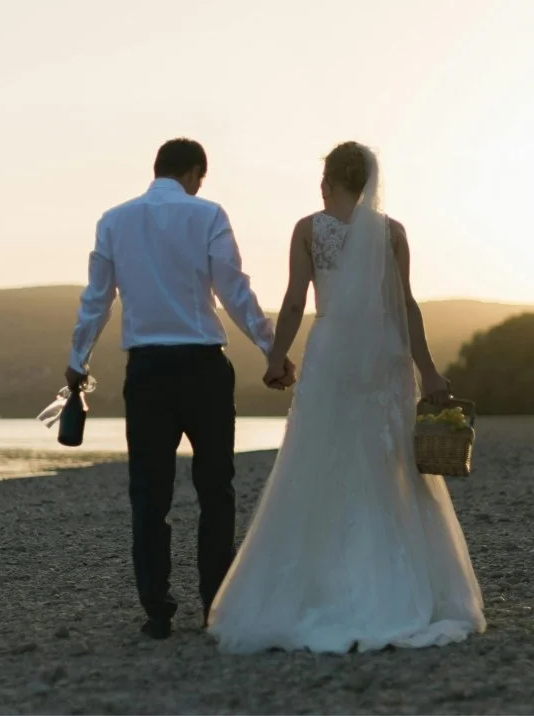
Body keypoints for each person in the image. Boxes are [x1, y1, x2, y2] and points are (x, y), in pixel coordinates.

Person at [207, 141, 486, 653]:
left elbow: (294, 301)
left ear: (328, 181)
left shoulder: (309, 230)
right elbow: (406, 305)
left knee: (319, 458)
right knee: (389, 462)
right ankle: (398, 584)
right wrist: (428, 370)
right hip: (383, 352)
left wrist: (276, 358)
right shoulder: (392, 233)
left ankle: (320, 582)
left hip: (333, 351)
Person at [64, 138, 293, 640]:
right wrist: (272, 352)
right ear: (195, 174)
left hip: (146, 372)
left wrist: (76, 362)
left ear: (157, 170)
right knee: (216, 490)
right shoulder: (208, 214)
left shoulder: (114, 220)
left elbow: (96, 301)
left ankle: (157, 610)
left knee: (149, 495)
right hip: (203, 369)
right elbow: (235, 290)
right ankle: (215, 604)